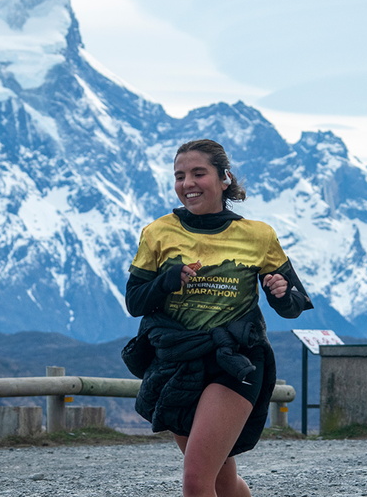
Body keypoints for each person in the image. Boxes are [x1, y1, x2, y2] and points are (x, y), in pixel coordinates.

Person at [122, 139, 313, 497]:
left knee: (196, 481)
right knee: (223, 481)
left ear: (224, 178)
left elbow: (295, 304)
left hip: (235, 361)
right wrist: (166, 281)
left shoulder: (258, 235)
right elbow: (134, 302)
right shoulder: (157, 232)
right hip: (177, 363)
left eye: (198, 173)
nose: (187, 183)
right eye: (180, 176)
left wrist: (281, 294)